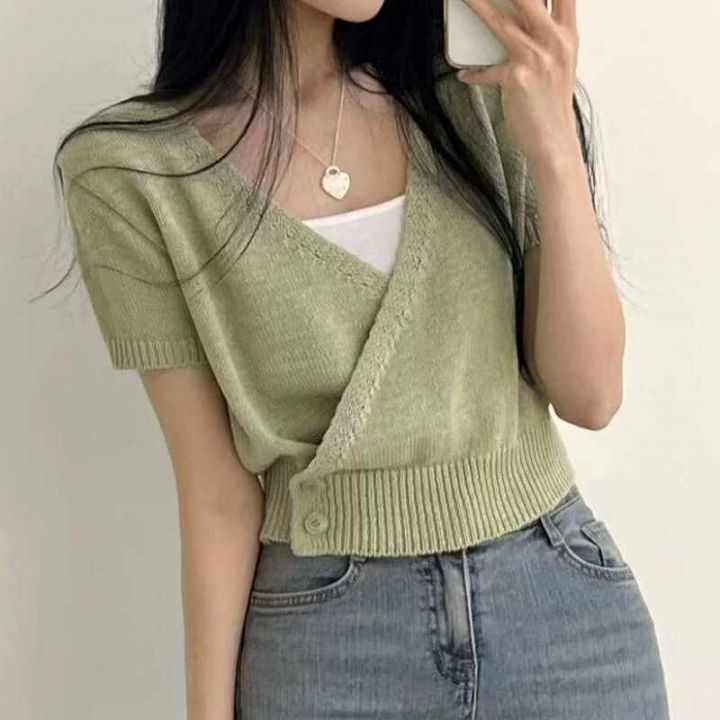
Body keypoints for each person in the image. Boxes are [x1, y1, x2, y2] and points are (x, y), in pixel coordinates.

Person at [50, 0, 670, 718]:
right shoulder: (132, 174)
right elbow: (217, 490)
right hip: (327, 643)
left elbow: (591, 395)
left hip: (562, 618)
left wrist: (555, 146)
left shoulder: (480, 98)